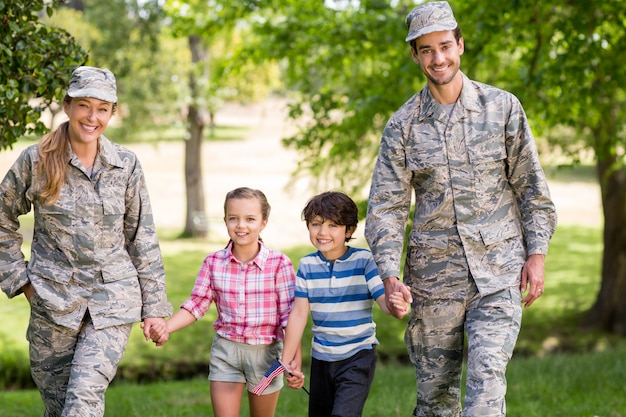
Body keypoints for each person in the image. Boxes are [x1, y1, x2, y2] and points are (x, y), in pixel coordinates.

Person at [364, 2, 558, 416]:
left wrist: (537, 256)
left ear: (461, 45)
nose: (439, 58)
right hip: (434, 281)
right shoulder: (403, 126)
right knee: (436, 401)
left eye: (446, 46)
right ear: (415, 55)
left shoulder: (503, 108)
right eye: (427, 50)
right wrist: (390, 276)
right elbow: (386, 208)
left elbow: (532, 190)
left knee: (486, 386)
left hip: (499, 272)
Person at [0, 66, 172, 417]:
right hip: (53, 305)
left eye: (103, 108)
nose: (93, 117)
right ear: (67, 105)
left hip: (113, 303)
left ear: (112, 112)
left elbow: (142, 236)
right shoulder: (37, 161)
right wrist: (22, 283)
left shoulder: (125, 164)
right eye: (84, 105)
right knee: (59, 407)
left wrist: (154, 308)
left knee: (83, 399)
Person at [149, 187, 296, 417]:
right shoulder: (213, 263)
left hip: (266, 356)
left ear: (263, 222)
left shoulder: (279, 264)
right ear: (225, 220)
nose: (241, 225)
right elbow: (197, 303)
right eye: (233, 218)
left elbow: (290, 317)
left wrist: (293, 359)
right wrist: (166, 327)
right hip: (226, 353)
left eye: (250, 219)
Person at [280, 190, 408, 417]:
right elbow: (299, 314)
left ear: (348, 230)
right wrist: (287, 361)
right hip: (322, 358)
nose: (322, 232)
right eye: (316, 224)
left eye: (333, 225)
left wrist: (396, 305)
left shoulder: (364, 261)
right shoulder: (307, 265)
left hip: (357, 356)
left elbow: (384, 302)